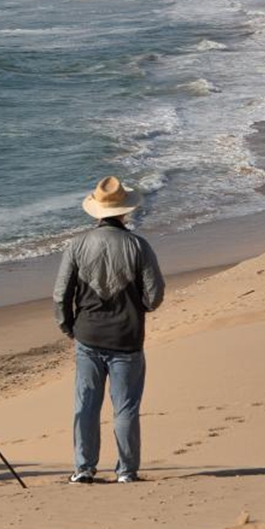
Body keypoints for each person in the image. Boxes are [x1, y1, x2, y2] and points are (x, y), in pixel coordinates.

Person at [53, 177, 165, 484]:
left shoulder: (77, 245)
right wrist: (138, 307)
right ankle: (126, 471)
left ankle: (83, 468)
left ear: (96, 211)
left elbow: (60, 294)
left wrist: (68, 326)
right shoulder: (138, 245)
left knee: (86, 404)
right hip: (127, 337)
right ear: (124, 212)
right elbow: (154, 295)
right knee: (125, 407)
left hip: (88, 335)